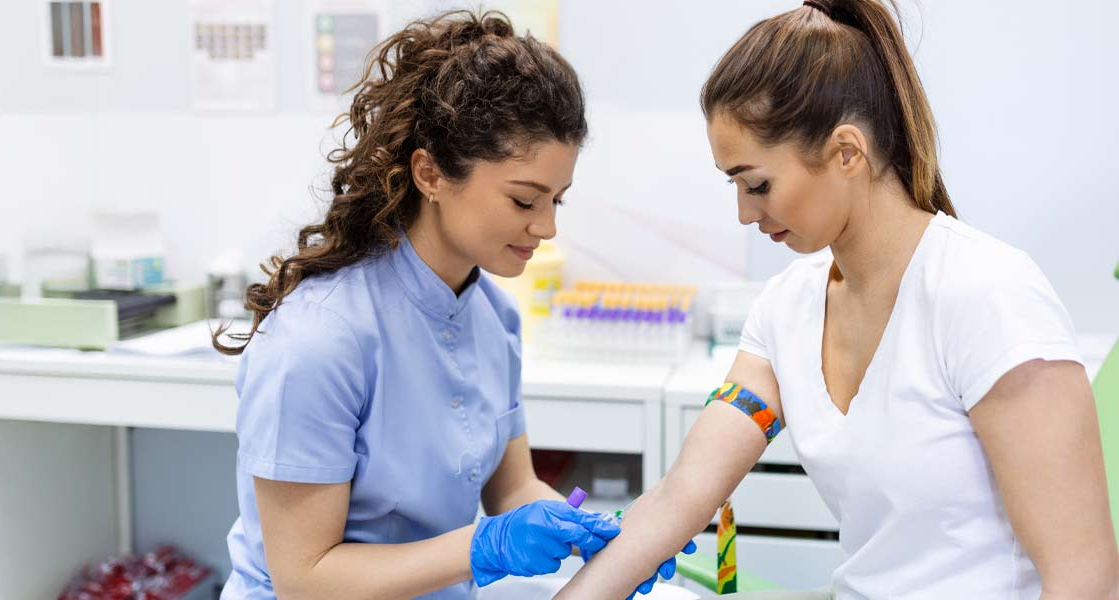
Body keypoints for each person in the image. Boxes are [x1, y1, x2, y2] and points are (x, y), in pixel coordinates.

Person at [556, 1, 1119, 598]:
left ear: (847, 151)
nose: (744, 213)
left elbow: (1084, 576)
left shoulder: (987, 296)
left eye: (757, 184)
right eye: (735, 186)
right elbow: (682, 497)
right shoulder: (785, 310)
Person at [212, 10, 624, 599]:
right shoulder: (319, 339)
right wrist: (483, 545)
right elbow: (305, 578)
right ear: (430, 174)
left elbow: (512, 491)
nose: (547, 227)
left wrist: (601, 536)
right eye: (524, 200)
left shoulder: (494, 317)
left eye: (557, 200)